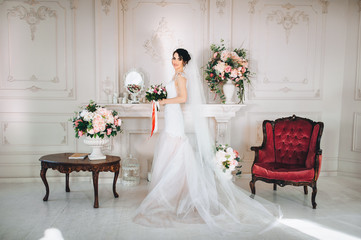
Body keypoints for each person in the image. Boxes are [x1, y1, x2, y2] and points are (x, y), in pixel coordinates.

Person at [133, 48, 280, 235]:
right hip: (171, 117)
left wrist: (162, 102)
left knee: (176, 151)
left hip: (174, 118)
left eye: (178, 58)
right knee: (171, 153)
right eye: (173, 57)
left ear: (185, 61)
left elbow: (183, 98)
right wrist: (162, 100)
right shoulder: (176, 75)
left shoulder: (181, 77)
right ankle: (173, 196)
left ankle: (179, 197)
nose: (174, 61)